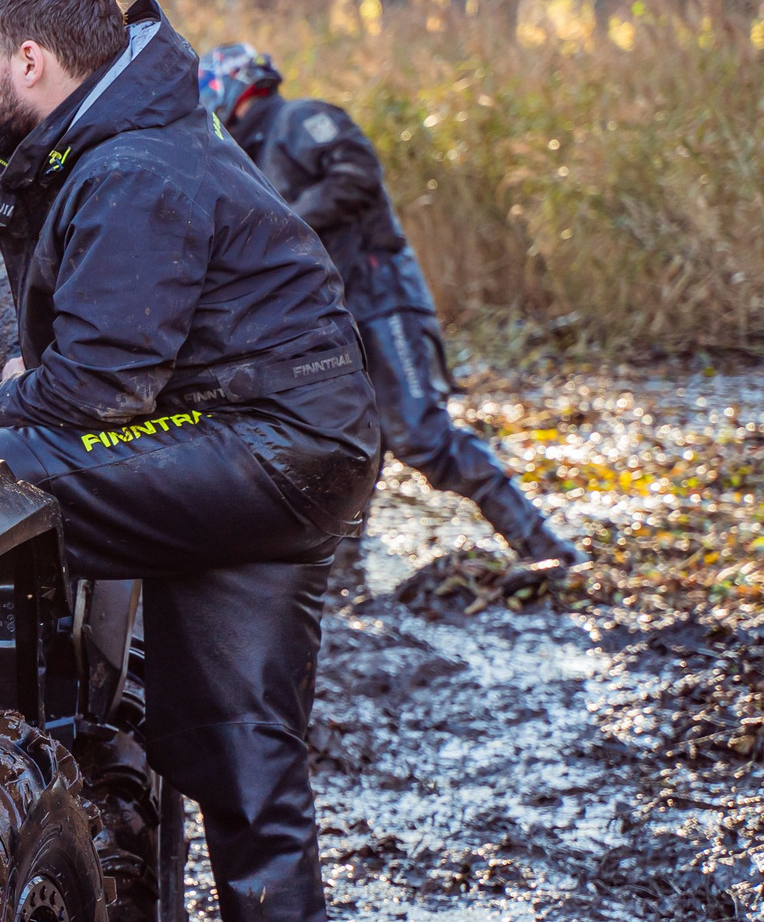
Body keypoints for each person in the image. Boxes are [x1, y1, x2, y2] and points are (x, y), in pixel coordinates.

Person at [0, 0, 380, 922]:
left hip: (260, 448)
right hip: (292, 450)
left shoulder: (131, 170)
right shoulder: (134, 146)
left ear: (29, 58)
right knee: (239, 736)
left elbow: (91, 399)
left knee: (4, 467)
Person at [199, 43, 580, 567]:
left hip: (384, 300)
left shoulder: (302, 119)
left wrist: (285, 223)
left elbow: (356, 174)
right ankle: (342, 573)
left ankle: (548, 549)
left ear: (231, 85)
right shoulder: (251, 158)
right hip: (337, 323)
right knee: (350, 443)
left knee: (422, 436)